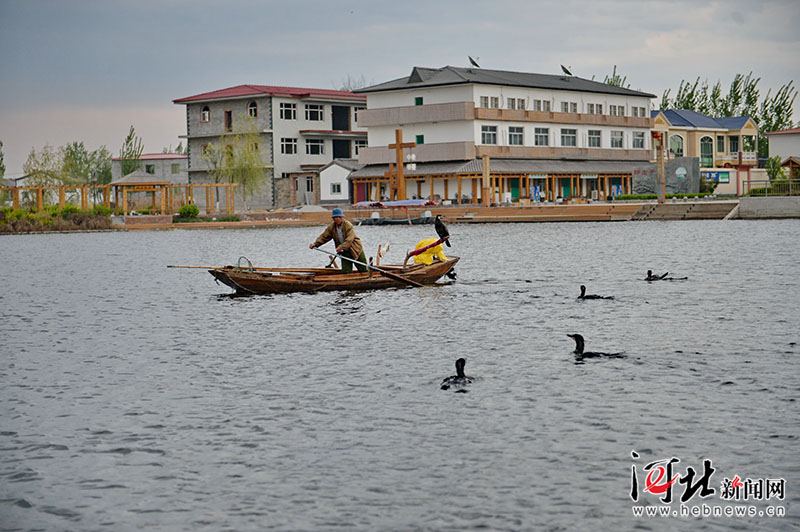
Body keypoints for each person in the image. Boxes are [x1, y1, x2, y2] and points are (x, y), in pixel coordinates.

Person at [309, 208, 367, 274]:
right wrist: (315, 244)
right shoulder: (332, 227)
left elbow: (349, 239)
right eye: (336, 217)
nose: (338, 219)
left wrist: (341, 247)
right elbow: (324, 237)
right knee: (346, 272)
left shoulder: (348, 225)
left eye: (339, 217)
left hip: (355, 249)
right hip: (345, 252)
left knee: (363, 269)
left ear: (342, 217)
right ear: (333, 218)